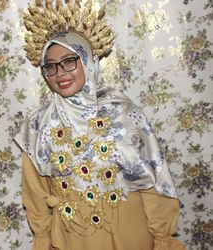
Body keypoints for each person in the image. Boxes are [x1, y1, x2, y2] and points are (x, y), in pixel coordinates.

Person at [15, 1, 185, 250]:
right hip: (72, 237)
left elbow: (155, 183)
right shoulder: (38, 126)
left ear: (87, 61)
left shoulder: (124, 114)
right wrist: (43, 237)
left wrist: (163, 237)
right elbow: (35, 193)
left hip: (131, 234)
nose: (60, 73)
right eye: (50, 66)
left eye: (69, 61)